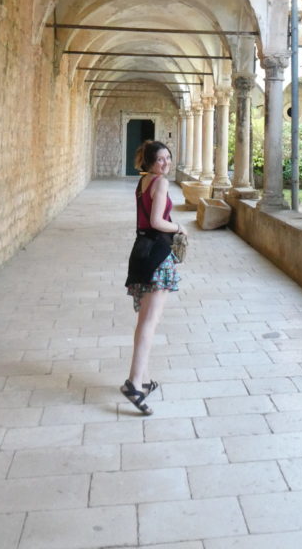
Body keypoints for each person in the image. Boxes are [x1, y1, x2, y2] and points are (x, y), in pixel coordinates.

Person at [121, 139, 184, 415]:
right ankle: (134, 384)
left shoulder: (143, 182)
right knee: (149, 322)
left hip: (140, 251)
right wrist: (181, 227)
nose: (166, 163)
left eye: (168, 158)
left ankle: (143, 379)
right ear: (149, 162)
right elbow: (158, 221)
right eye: (160, 159)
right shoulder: (160, 183)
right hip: (157, 255)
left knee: (143, 321)